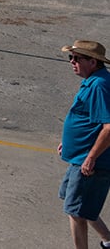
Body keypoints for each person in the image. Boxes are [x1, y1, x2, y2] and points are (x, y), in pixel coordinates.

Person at [58, 40, 110, 249]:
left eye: (77, 58)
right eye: (70, 57)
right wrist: (69, 143)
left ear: (93, 61)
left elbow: (109, 128)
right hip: (80, 156)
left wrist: (91, 158)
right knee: (80, 205)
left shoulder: (100, 85)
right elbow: (88, 120)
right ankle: (108, 239)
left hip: (89, 163)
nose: (72, 62)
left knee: (76, 211)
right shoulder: (94, 80)